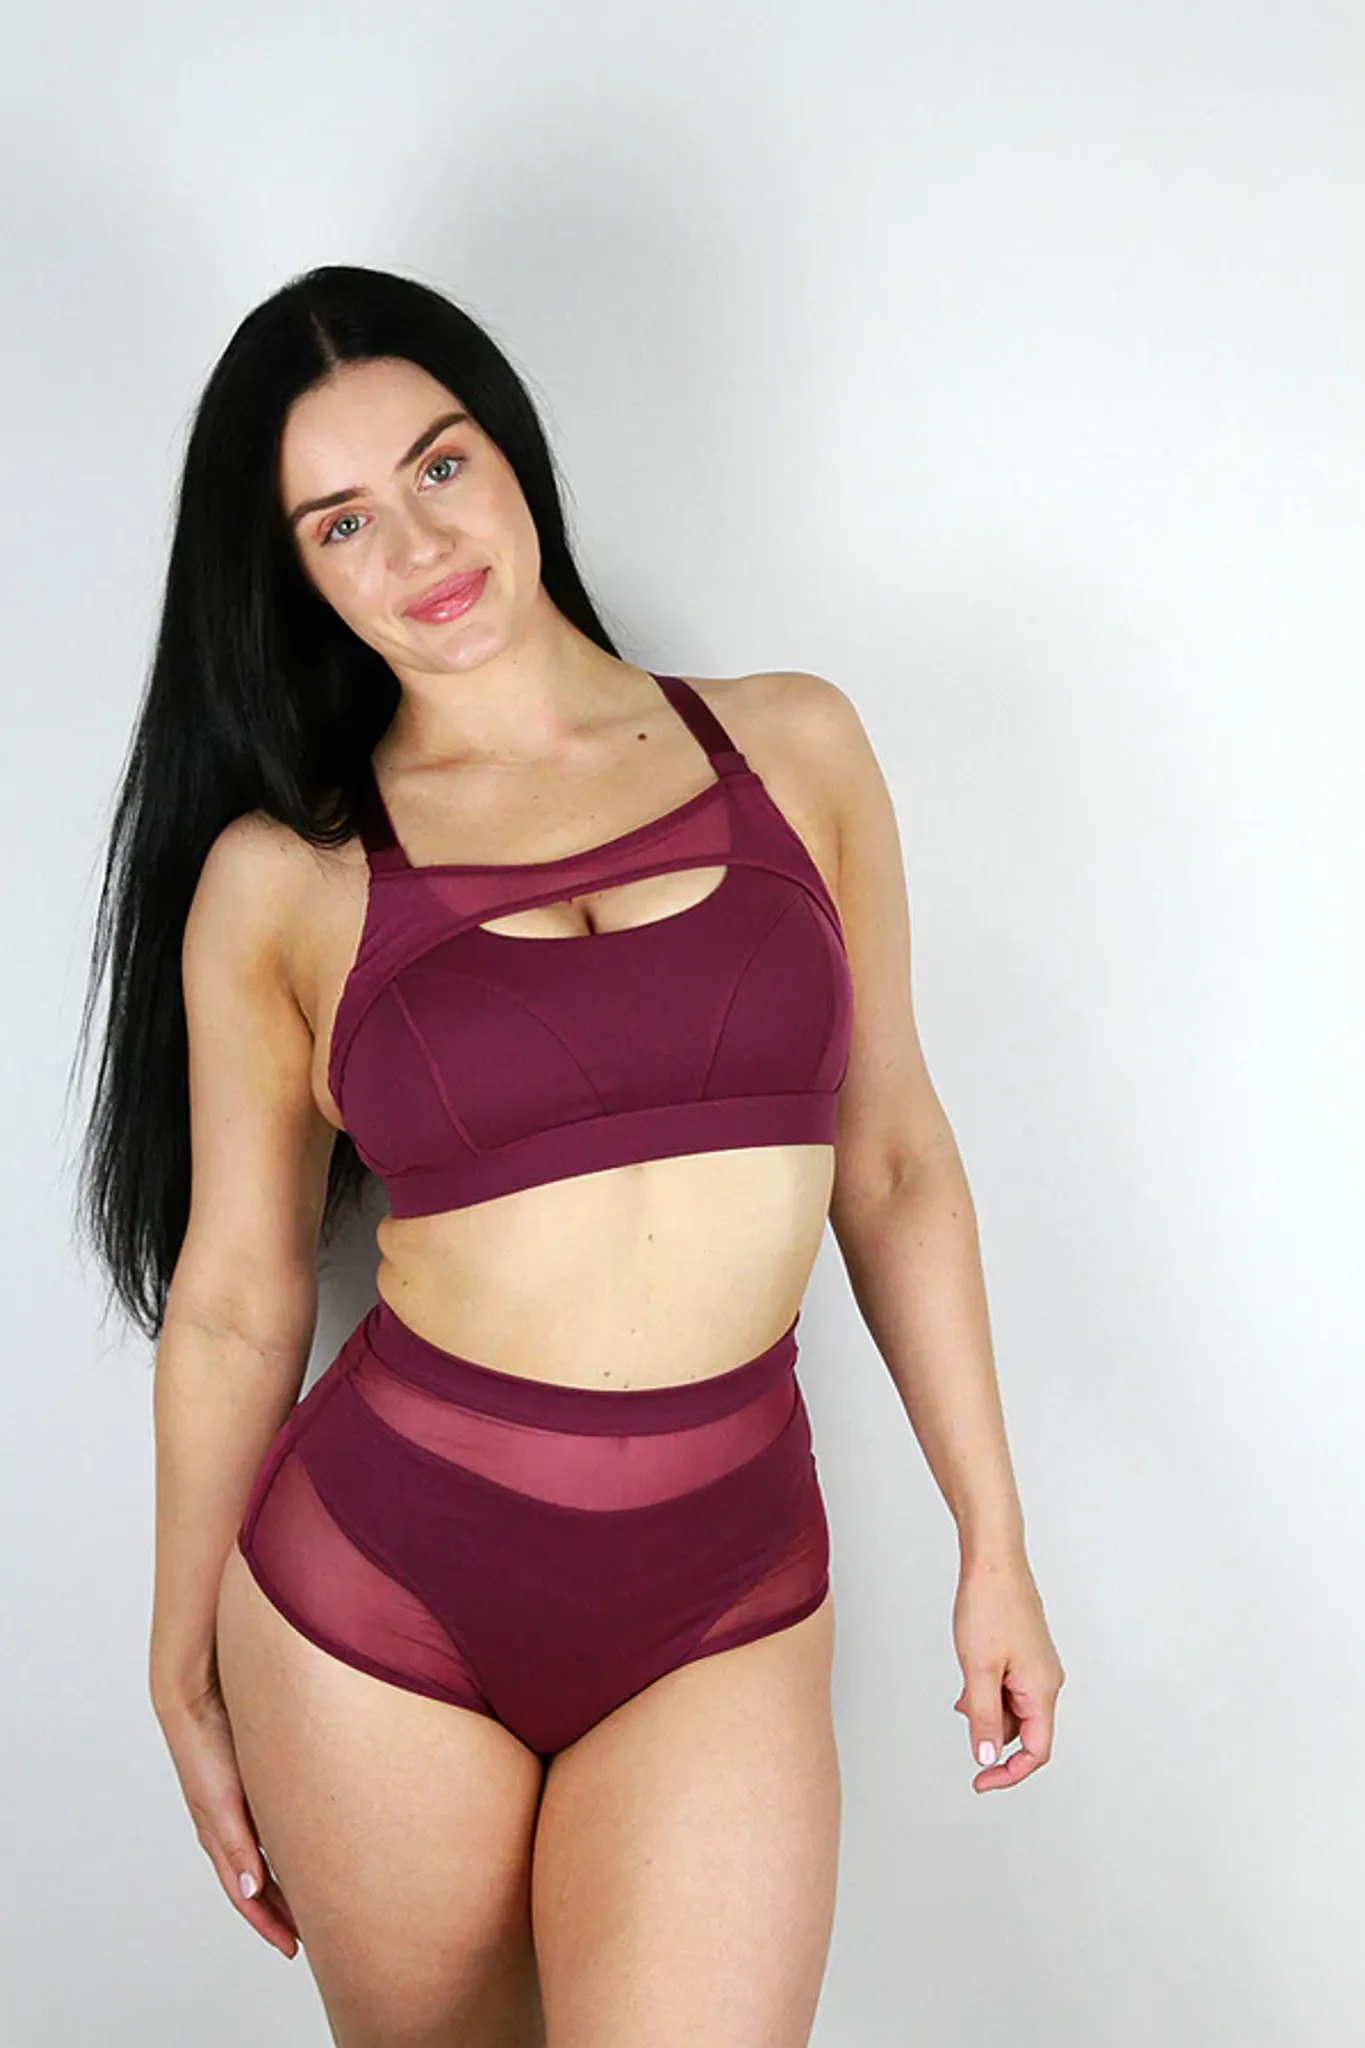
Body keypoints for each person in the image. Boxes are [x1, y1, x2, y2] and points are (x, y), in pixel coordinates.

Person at [75, 262, 1064, 2047]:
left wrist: (993, 1537)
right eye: (342, 523)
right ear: (293, 574)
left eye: (440, 466)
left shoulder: (796, 747)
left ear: (513, 451)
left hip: (725, 1592)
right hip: (380, 1598)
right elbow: (234, 1300)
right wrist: (177, 1664)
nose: (418, 547)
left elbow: (897, 1165)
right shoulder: (286, 883)